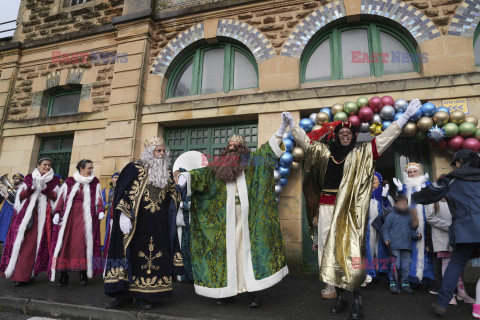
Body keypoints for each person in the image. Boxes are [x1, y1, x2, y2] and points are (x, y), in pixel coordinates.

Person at [290, 98, 422, 319]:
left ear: (352, 137)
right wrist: (293, 127)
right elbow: (306, 144)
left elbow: (384, 139)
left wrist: (404, 118)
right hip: (326, 208)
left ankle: (357, 299)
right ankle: (340, 297)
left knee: (353, 252)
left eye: (349, 134)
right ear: (336, 136)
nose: (345, 135)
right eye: (341, 133)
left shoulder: (361, 153)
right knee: (329, 251)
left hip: (350, 210)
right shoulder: (324, 153)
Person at [177, 112, 290, 307]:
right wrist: (185, 178)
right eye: (230, 147)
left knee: (246, 255)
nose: (233, 149)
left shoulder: (253, 163)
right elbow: (201, 175)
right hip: (224, 221)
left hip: (248, 220)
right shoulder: (216, 168)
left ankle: (251, 293)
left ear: (243, 150)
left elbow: (267, 152)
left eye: (237, 147)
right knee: (228, 256)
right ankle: (226, 292)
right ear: (225, 150)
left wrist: (281, 130)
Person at [104, 136, 183, 310]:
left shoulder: (166, 172)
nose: (162, 154)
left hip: (158, 225)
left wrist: (181, 188)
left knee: (152, 258)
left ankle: (145, 296)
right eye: (158, 150)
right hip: (135, 224)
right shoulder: (133, 168)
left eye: (163, 151)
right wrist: (123, 214)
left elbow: (173, 195)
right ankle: (122, 295)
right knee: (129, 256)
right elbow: (122, 191)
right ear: (149, 152)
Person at [411, 149, 480, 317]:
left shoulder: (451, 179)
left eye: (456, 163)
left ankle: (442, 303)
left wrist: (414, 197)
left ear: (461, 161)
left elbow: (426, 195)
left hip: (466, 229)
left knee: (456, 264)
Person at [0, 158, 60, 286]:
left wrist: (45, 189)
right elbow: (20, 197)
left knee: (34, 248)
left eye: (49, 165)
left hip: (43, 218)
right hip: (25, 217)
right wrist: (32, 188)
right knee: (20, 245)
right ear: (38, 165)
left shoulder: (54, 180)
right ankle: (21, 275)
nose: (47, 167)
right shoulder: (28, 178)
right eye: (44, 165)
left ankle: (27, 274)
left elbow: (56, 197)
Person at [48, 159, 104, 286]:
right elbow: (62, 198)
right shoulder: (70, 181)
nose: (91, 170)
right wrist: (57, 212)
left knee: (82, 244)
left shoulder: (95, 182)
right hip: (69, 216)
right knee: (65, 243)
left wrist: (100, 210)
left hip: (86, 216)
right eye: (89, 168)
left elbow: (98, 197)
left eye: (92, 168)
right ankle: (64, 274)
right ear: (81, 169)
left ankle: (82, 272)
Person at [393, 163, 435, 290]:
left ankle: (427, 278)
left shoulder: (427, 184)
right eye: (409, 172)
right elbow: (400, 202)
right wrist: (400, 190)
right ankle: (413, 278)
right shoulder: (405, 186)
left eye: (414, 172)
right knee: (411, 250)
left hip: (427, 220)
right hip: (411, 222)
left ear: (419, 172)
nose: (412, 174)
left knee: (427, 249)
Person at [427, 194, 475, 304]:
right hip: (442, 237)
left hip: (457, 236)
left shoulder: (455, 200)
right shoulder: (433, 201)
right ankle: (449, 294)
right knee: (447, 263)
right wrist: (450, 226)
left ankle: (461, 292)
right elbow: (430, 218)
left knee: (459, 264)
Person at [382, 194, 421, 294]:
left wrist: (416, 235)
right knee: (395, 264)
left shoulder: (408, 216)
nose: (404, 206)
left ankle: (405, 283)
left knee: (406, 265)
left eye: (406, 204)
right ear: (395, 204)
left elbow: (409, 230)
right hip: (394, 244)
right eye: (402, 204)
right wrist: (386, 238)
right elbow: (385, 228)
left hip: (406, 245)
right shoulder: (391, 215)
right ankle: (393, 283)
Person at [363, 173, 392, 286]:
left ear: (379, 181)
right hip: (369, 226)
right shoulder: (365, 194)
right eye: (371, 179)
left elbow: (389, 210)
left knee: (380, 248)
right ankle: (369, 272)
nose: (373, 181)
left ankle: (380, 271)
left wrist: (385, 199)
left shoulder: (385, 195)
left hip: (381, 226)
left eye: (375, 179)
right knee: (369, 248)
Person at [0, 173, 24, 243]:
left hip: (13, 209)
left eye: (17, 179)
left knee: (8, 225)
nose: (15, 180)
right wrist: (1, 193)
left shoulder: (22, 188)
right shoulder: (10, 187)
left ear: (21, 180)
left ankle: (5, 242)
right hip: (5, 208)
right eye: (14, 179)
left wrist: (9, 196)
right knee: (2, 223)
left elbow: (20, 199)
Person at [101, 172, 118, 252]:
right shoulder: (106, 190)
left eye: (118, 177)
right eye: (115, 177)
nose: (116, 179)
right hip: (108, 214)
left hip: (118, 213)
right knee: (107, 231)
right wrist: (107, 206)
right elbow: (101, 200)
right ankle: (105, 248)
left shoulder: (122, 189)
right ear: (112, 179)